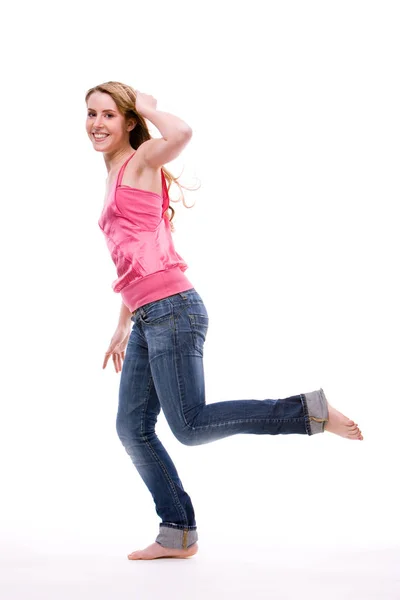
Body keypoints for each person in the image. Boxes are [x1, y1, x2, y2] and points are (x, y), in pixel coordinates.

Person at [85, 81, 363, 561]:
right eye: (90, 114)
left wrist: (151, 108)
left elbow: (183, 132)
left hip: (174, 311)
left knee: (189, 426)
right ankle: (177, 532)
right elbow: (135, 256)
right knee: (132, 427)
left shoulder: (144, 158)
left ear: (128, 122)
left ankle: (309, 411)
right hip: (151, 314)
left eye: (108, 115)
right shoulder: (113, 173)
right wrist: (123, 322)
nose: (96, 123)